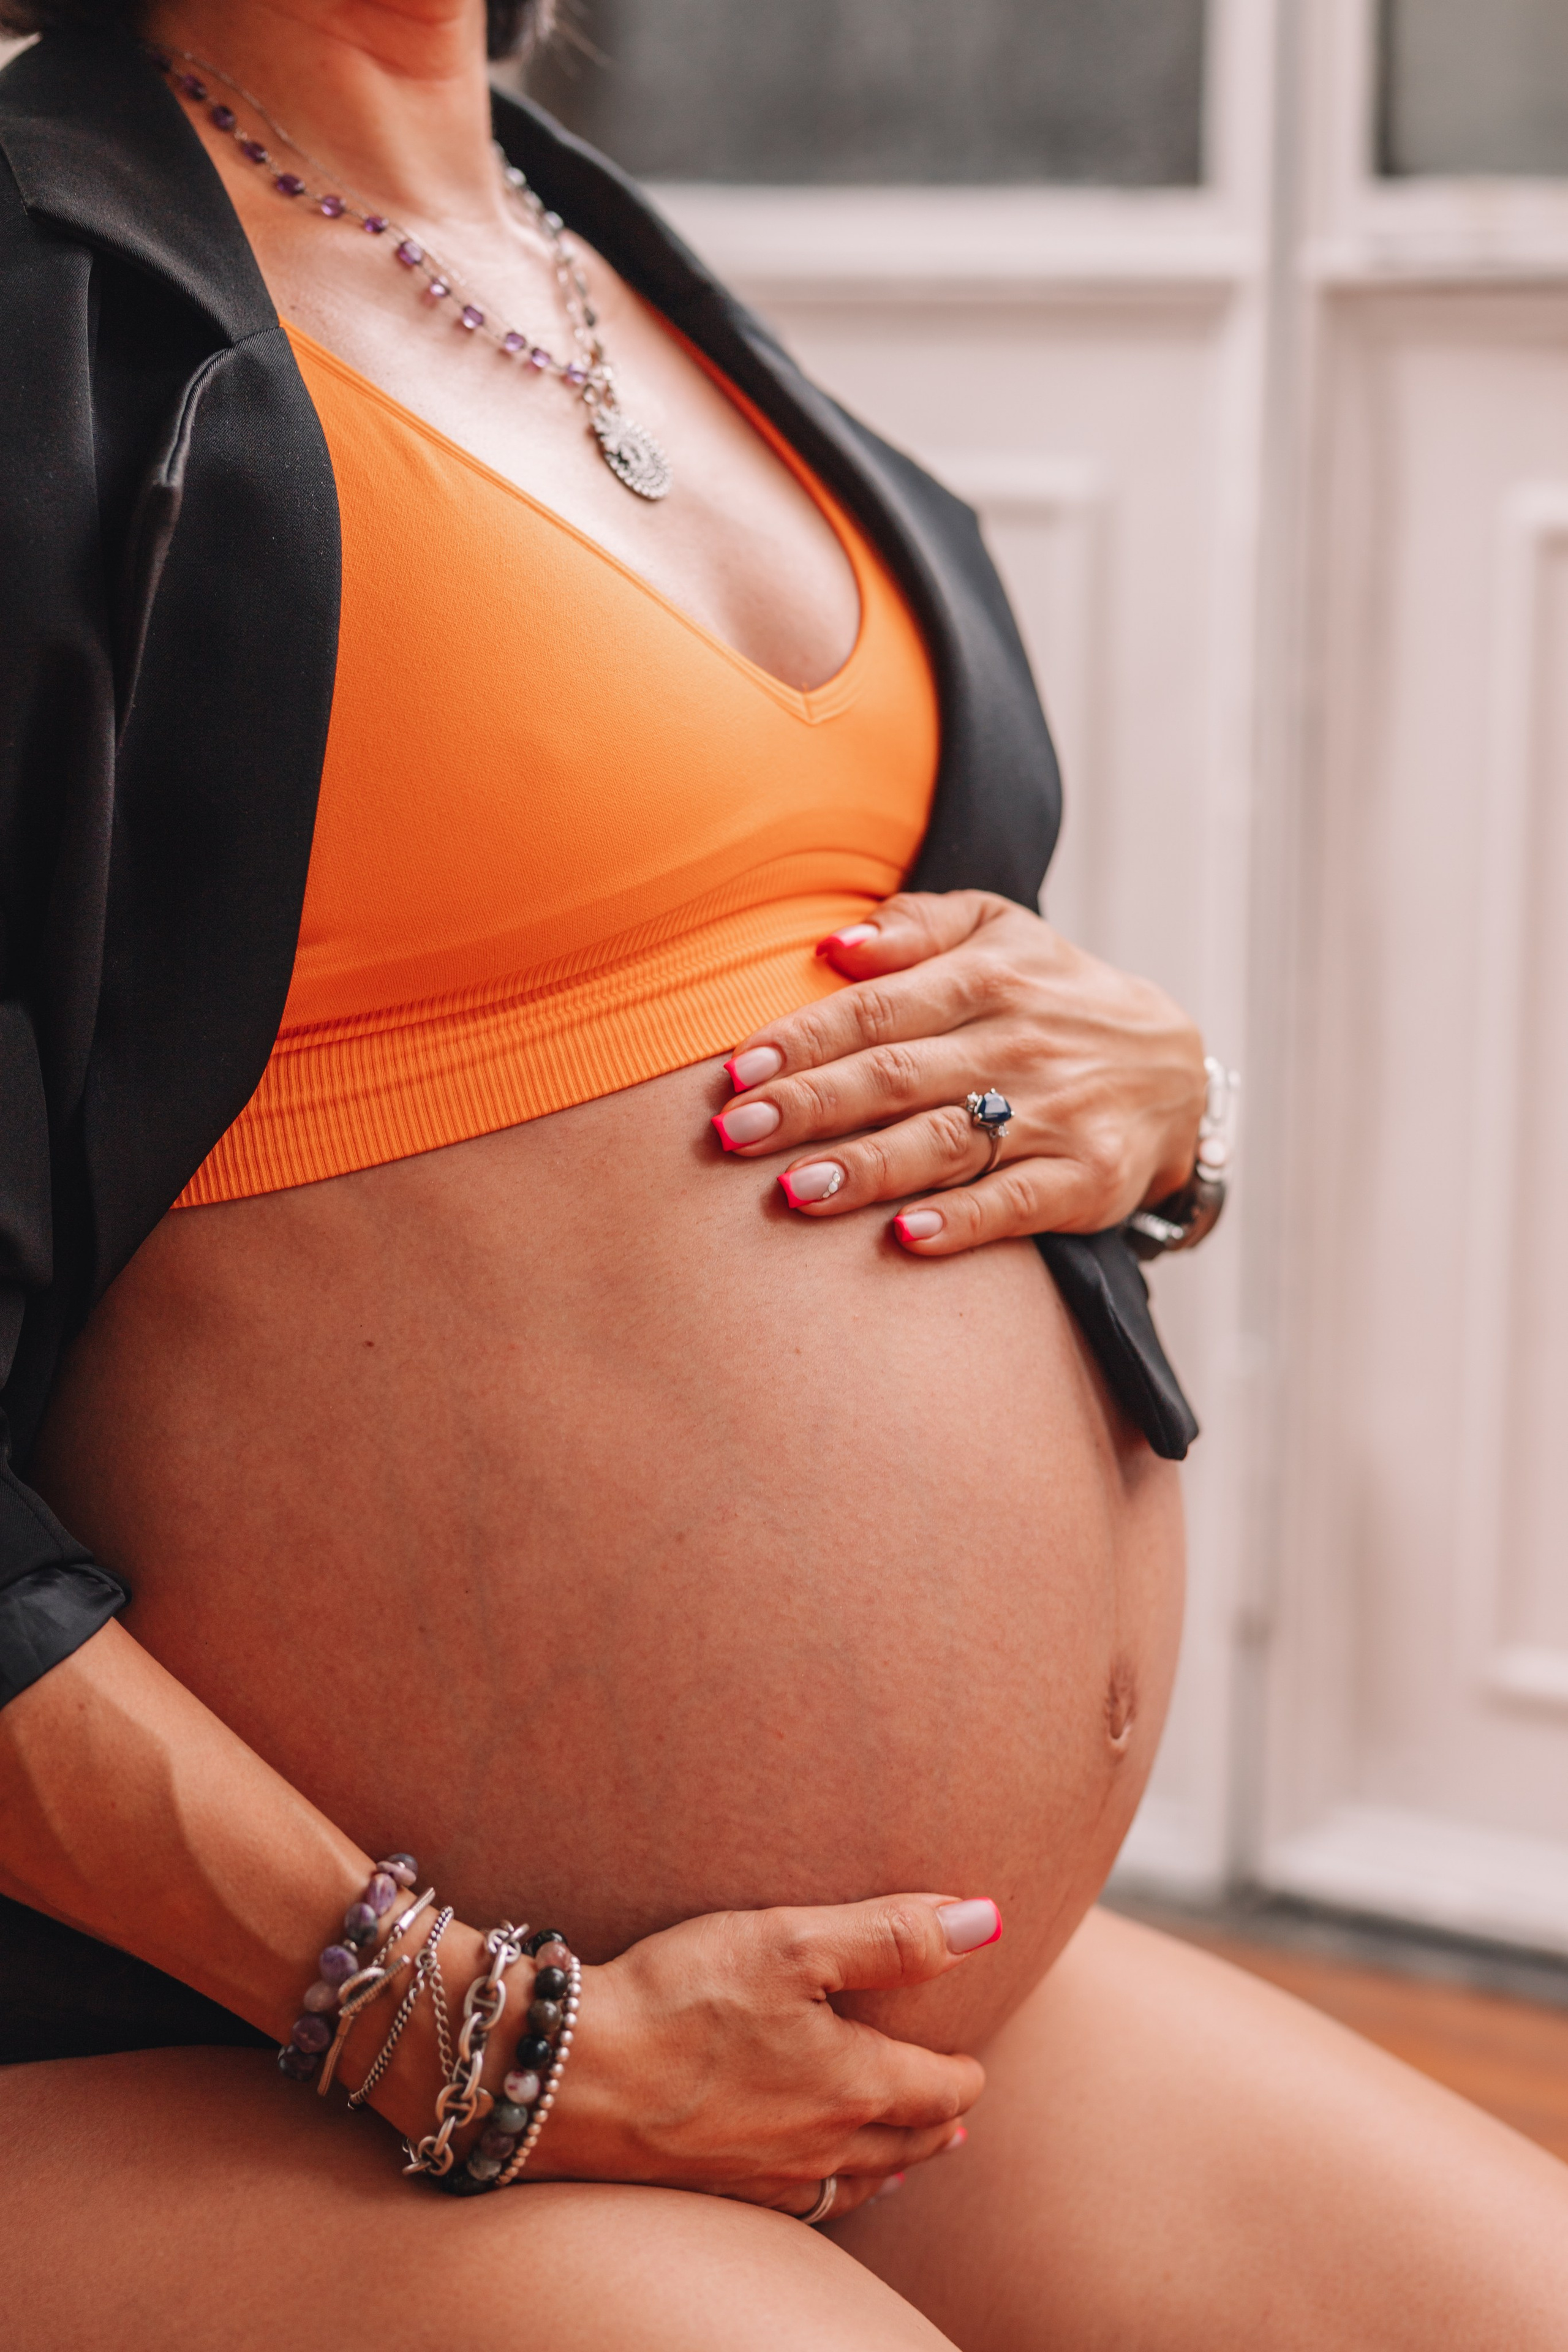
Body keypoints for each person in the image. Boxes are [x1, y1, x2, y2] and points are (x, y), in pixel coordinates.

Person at [1, 4, 1564, 2344]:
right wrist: (453, 2024)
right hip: (232, 2034)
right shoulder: (49, 304)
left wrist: (1161, 1111)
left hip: (870, 2036)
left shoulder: (584, 250)